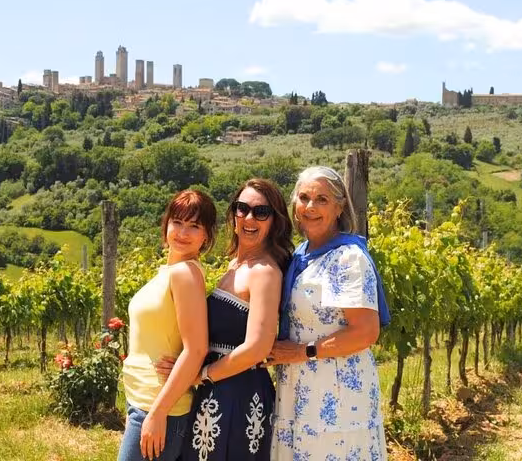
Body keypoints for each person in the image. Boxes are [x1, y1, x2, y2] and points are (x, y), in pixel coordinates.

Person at [156, 178, 293, 461]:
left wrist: (201, 375)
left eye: (261, 212)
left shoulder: (265, 272)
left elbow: (257, 347)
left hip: (240, 396)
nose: (249, 217)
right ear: (233, 215)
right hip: (216, 390)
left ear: (274, 221)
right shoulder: (234, 265)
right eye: (242, 208)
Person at [265, 166, 391, 461]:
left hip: (336, 393)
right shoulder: (299, 256)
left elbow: (365, 332)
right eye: (304, 197)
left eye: (322, 199)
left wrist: (302, 352)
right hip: (298, 387)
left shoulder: (348, 259)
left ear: (339, 207)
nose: (311, 207)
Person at [118, 189, 217, 461]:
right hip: (143, 401)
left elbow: (196, 349)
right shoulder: (169, 272)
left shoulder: (186, 273)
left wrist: (158, 413)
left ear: (206, 235)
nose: (183, 232)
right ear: (166, 225)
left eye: (194, 226)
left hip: (158, 405)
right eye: (178, 222)